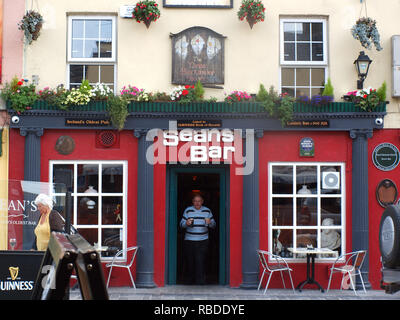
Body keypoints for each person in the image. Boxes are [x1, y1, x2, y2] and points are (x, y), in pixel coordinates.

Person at [180, 194, 216, 285]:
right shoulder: (188, 210)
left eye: (199, 201)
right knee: (190, 261)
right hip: (189, 240)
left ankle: (200, 281)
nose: (197, 203)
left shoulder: (207, 211)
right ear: (192, 202)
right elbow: (181, 224)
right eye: (195, 201)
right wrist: (186, 223)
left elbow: (214, 225)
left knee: (200, 261)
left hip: (203, 240)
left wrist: (210, 222)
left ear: (202, 201)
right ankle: (189, 281)